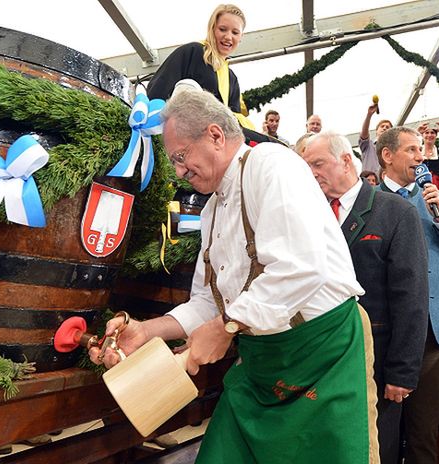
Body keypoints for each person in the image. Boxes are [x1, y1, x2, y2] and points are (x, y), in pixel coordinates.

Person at [91, 88, 379, 463]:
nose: (178, 171)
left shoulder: (272, 165)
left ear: (214, 135)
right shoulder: (212, 211)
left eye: (181, 157)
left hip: (323, 351)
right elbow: (208, 302)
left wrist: (226, 327)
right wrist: (147, 331)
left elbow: (301, 266)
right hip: (262, 364)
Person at [303, 131, 429, 463]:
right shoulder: (305, 214)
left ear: (346, 160)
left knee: (376, 448)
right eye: (306, 167)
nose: (311, 173)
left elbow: (411, 295)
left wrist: (402, 372)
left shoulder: (395, 211)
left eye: (317, 163)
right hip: (320, 361)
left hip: (377, 362)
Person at [376, 126, 439, 464]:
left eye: (421, 151)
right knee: (383, 430)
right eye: (412, 150)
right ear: (387, 156)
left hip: (431, 332)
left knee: (424, 431)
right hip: (385, 331)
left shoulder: (432, 198)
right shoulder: (370, 202)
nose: (420, 157)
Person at [146, 4, 275, 146]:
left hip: (216, 141)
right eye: (222, 29)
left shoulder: (231, 78)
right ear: (212, 28)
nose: (228, 37)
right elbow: (158, 89)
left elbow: (233, 123)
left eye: (235, 32)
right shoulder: (193, 52)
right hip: (181, 135)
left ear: (241, 37)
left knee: (274, 146)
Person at [359, 101, 393, 173]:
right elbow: (364, 134)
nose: (384, 128)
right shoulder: (368, 146)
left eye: (387, 127)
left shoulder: (393, 149)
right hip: (369, 182)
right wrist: (369, 115)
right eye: (382, 126)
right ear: (376, 131)